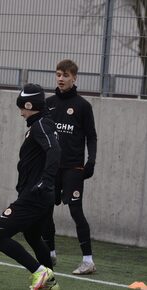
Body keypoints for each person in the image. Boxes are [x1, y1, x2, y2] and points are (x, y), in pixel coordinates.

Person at [0, 83, 61, 290]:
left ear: (30, 105)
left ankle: (40, 272)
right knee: (32, 236)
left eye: (22, 108)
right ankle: (51, 284)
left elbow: (54, 152)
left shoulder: (41, 126)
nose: (21, 113)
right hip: (39, 195)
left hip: (35, 196)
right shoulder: (42, 125)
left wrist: (45, 182)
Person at [41, 59, 97, 275]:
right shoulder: (49, 103)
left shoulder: (83, 106)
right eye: (58, 75)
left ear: (75, 78)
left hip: (73, 168)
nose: (61, 79)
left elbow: (91, 136)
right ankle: (51, 254)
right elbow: (42, 133)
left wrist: (91, 160)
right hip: (52, 167)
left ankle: (88, 260)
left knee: (76, 210)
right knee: (45, 209)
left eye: (65, 75)